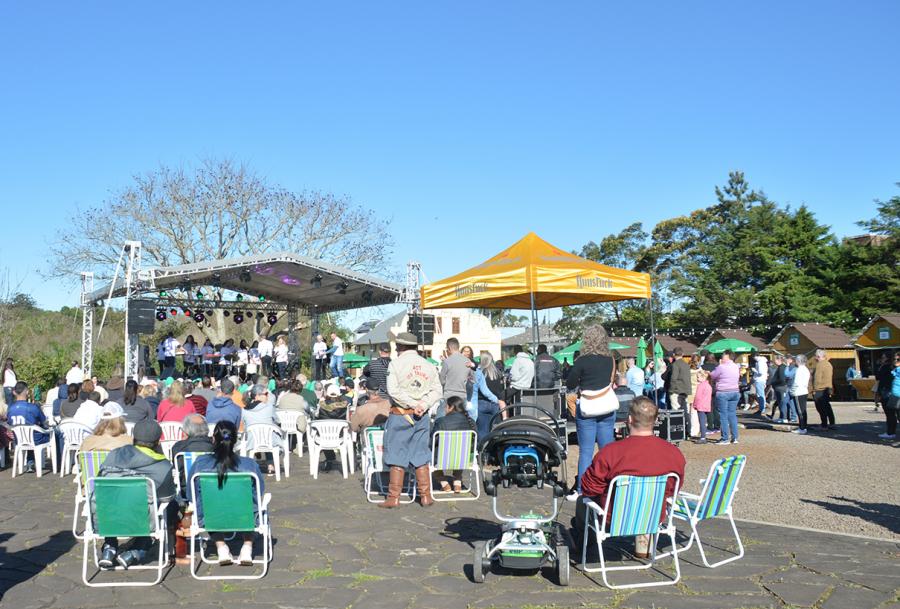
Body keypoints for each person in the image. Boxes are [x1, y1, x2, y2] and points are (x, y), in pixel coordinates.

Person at [576, 396, 686, 559]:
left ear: (629, 419)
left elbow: (589, 487)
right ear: (655, 420)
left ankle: (585, 550)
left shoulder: (611, 452)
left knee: (582, 501)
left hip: (614, 517)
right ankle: (643, 548)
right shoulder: (673, 453)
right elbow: (672, 488)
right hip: (653, 515)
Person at [96, 420, 178, 569]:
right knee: (171, 506)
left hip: (107, 518)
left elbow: (100, 483)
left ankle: (109, 546)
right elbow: (167, 498)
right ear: (158, 442)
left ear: (133, 438)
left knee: (115, 500)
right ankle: (136, 551)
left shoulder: (114, 455)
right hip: (140, 519)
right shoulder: (163, 466)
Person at [187, 420, 264, 566]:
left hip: (210, 517)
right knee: (252, 505)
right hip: (246, 517)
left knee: (207, 505)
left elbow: (192, 495)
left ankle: (221, 547)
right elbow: (259, 491)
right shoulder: (250, 465)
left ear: (213, 439)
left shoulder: (200, 464)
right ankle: (247, 547)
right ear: (235, 440)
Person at [381, 332, 442, 509]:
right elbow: (438, 390)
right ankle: (425, 496)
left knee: (397, 454)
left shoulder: (396, 364)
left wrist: (413, 404)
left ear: (400, 346)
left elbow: (393, 391)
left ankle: (394, 497)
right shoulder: (428, 365)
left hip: (401, 414)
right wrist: (423, 404)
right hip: (421, 416)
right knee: (420, 453)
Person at [566, 324, 618, 500]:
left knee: (586, 451)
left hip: (588, 407)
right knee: (607, 450)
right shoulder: (609, 359)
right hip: (606, 407)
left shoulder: (582, 360)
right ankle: (611, 486)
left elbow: (570, 383)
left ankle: (583, 490)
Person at [431, 395, 476, 493]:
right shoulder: (471, 422)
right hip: (464, 459)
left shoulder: (441, 421)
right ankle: (457, 482)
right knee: (460, 451)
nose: (445, 409)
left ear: (451, 407)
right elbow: (475, 443)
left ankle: (444, 483)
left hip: (443, 459)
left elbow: (432, 442)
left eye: (446, 407)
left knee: (428, 455)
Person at [7, 381, 50, 472]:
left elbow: (10, 422)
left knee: (29, 433)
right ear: (26, 392)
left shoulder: (10, 408)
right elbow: (44, 421)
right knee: (40, 433)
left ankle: (30, 463)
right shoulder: (33, 407)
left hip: (18, 439)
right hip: (35, 439)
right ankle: (32, 463)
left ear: (15, 392)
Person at [710, 349, 741, 444]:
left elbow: (713, 376)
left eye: (723, 356)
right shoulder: (736, 366)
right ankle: (735, 437)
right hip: (735, 392)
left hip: (723, 392)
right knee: (732, 414)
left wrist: (718, 365)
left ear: (727, 356)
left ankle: (725, 438)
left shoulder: (721, 367)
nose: (721, 357)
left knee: (723, 415)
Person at [473, 351, 504, 439]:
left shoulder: (479, 372)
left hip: (481, 402)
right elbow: (500, 390)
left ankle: (482, 450)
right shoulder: (498, 373)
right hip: (495, 403)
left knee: (482, 430)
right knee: (493, 430)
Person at [439, 337, 472, 405]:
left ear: (449, 348)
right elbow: (472, 379)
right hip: (462, 395)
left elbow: (441, 380)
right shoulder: (468, 361)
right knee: (461, 415)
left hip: (449, 395)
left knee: (447, 415)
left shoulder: (447, 361)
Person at [668, 347, 692, 437]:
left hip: (676, 391)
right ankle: (688, 431)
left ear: (674, 355)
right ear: (682, 354)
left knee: (676, 412)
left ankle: (677, 432)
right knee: (685, 412)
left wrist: (671, 390)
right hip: (685, 391)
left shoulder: (675, 364)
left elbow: (673, 379)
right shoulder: (686, 364)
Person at [812, 349, 836, 430]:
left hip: (820, 389)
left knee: (820, 408)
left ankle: (824, 425)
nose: (815, 358)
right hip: (828, 388)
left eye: (816, 356)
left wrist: (814, 389)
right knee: (827, 406)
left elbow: (817, 378)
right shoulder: (829, 364)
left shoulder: (820, 365)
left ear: (818, 356)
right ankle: (832, 423)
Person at [878, 353, 900, 440]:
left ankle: (890, 433)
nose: (896, 361)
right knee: (894, 414)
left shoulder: (894, 370)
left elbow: (881, 379)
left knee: (892, 414)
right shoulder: (893, 369)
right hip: (892, 394)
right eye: (895, 359)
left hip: (894, 394)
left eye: (898, 360)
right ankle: (890, 432)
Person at [790, 354, 812, 435]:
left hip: (798, 392)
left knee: (800, 411)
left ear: (798, 361)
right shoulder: (806, 369)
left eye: (796, 360)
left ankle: (802, 428)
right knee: (803, 410)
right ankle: (803, 426)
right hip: (804, 391)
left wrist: (792, 391)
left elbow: (796, 382)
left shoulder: (799, 369)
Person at [692, 370, 712, 444]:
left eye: (698, 377)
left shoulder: (701, 385)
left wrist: (694, 404)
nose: (697, 379)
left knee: (702, 422)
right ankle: (704, 436)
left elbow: (698, 396)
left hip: (700, 406)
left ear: (703, 377)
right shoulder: (708, 385)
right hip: (706, 405)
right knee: (704, 422)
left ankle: (703, 437)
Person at [768, 355, 789, 422]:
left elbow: (782, 379)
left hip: (781, 387)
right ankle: (781, 417)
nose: (774, 361)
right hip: (779, 387)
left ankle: (784, 417)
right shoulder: (780, 367)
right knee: (780, 403)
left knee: (782, 403)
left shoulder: (782, 367)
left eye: (775, 360)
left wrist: (773, 382)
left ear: (778, 360)